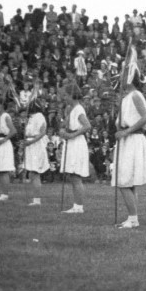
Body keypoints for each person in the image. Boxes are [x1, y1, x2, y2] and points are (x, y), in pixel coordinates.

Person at [112, 69, 146, 228]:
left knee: (124, 181)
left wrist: (126, 131)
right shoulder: (127, 97)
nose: (119, 79)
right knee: (128, 181)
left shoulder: (136, 95)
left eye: (122, 76)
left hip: (132, 139)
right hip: (127, 139)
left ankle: (133, 218)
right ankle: (132, 217)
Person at [59, 85, 91, 213]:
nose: (64, 98)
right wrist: (63, 131)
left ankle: (79, 206)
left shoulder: (78, 109)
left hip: (77, 143)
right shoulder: (71, 109)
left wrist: (72, 135)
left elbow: (87, 126)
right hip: (71, 143)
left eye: (66, 95)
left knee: (76, 175)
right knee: (72, 175)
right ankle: (76, 205)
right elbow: (66, 125)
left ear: (72, 96)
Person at [22, 99, 49, 206]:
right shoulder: (31, 117)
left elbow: (42, 133)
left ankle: (37, 200)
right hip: (30, 145)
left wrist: (31, 141)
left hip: (36, 146)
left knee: (34, 172)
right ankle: (36, 199)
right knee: (32, 173)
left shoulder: (39, 116)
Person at [0, 98, 16, 201]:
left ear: (2, 105)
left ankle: (5, 194)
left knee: (4, 169)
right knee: (0, 169)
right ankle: (3, 193)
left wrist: (4, 140)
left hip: (4, 143)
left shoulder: (6, 116)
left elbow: (13, 131)